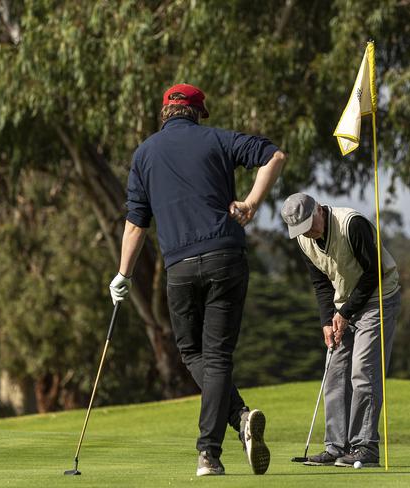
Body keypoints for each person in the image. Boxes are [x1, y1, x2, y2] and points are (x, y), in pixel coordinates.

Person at [108, 83, 286, 476]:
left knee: (192, 353)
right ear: (196, 112)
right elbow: (274, 155)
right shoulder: (218, 139)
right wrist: (252, 203)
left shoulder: (144, 155)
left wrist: (123, 275)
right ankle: (221, 440)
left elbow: (136, 226)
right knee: (218, 355)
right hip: (226, 257)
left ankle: (221, 438)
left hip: (181, 267)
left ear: (165, 112)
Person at [280, 193, 401, 468]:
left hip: (378, 299)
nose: (309, 232)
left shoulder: (351, 224)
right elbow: (321, 283)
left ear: (319, 210)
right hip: (343, 304)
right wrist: (327, 320)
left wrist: (344, 314)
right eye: (301, 229)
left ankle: (365, 446)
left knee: (363, 371)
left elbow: (374, 272)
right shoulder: (304, 239)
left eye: (310, 224)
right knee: (334, 372)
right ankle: (336, 447)